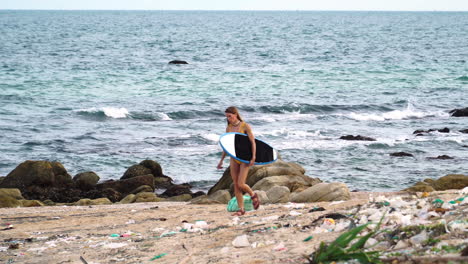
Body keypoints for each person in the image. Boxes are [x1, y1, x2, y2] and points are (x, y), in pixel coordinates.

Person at [217, 106, 260, 216]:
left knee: (241, 183)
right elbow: (226, 146)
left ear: (235, 114)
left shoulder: (245, 126)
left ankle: (253, 195)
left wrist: (253, 157)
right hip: (234, 157)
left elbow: (253, 142)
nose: (228, 119)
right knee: (236, 185)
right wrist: (221, 160)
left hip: (244, 157)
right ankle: (241, 209)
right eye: (227, 117)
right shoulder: (229, 128)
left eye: (230, 116)